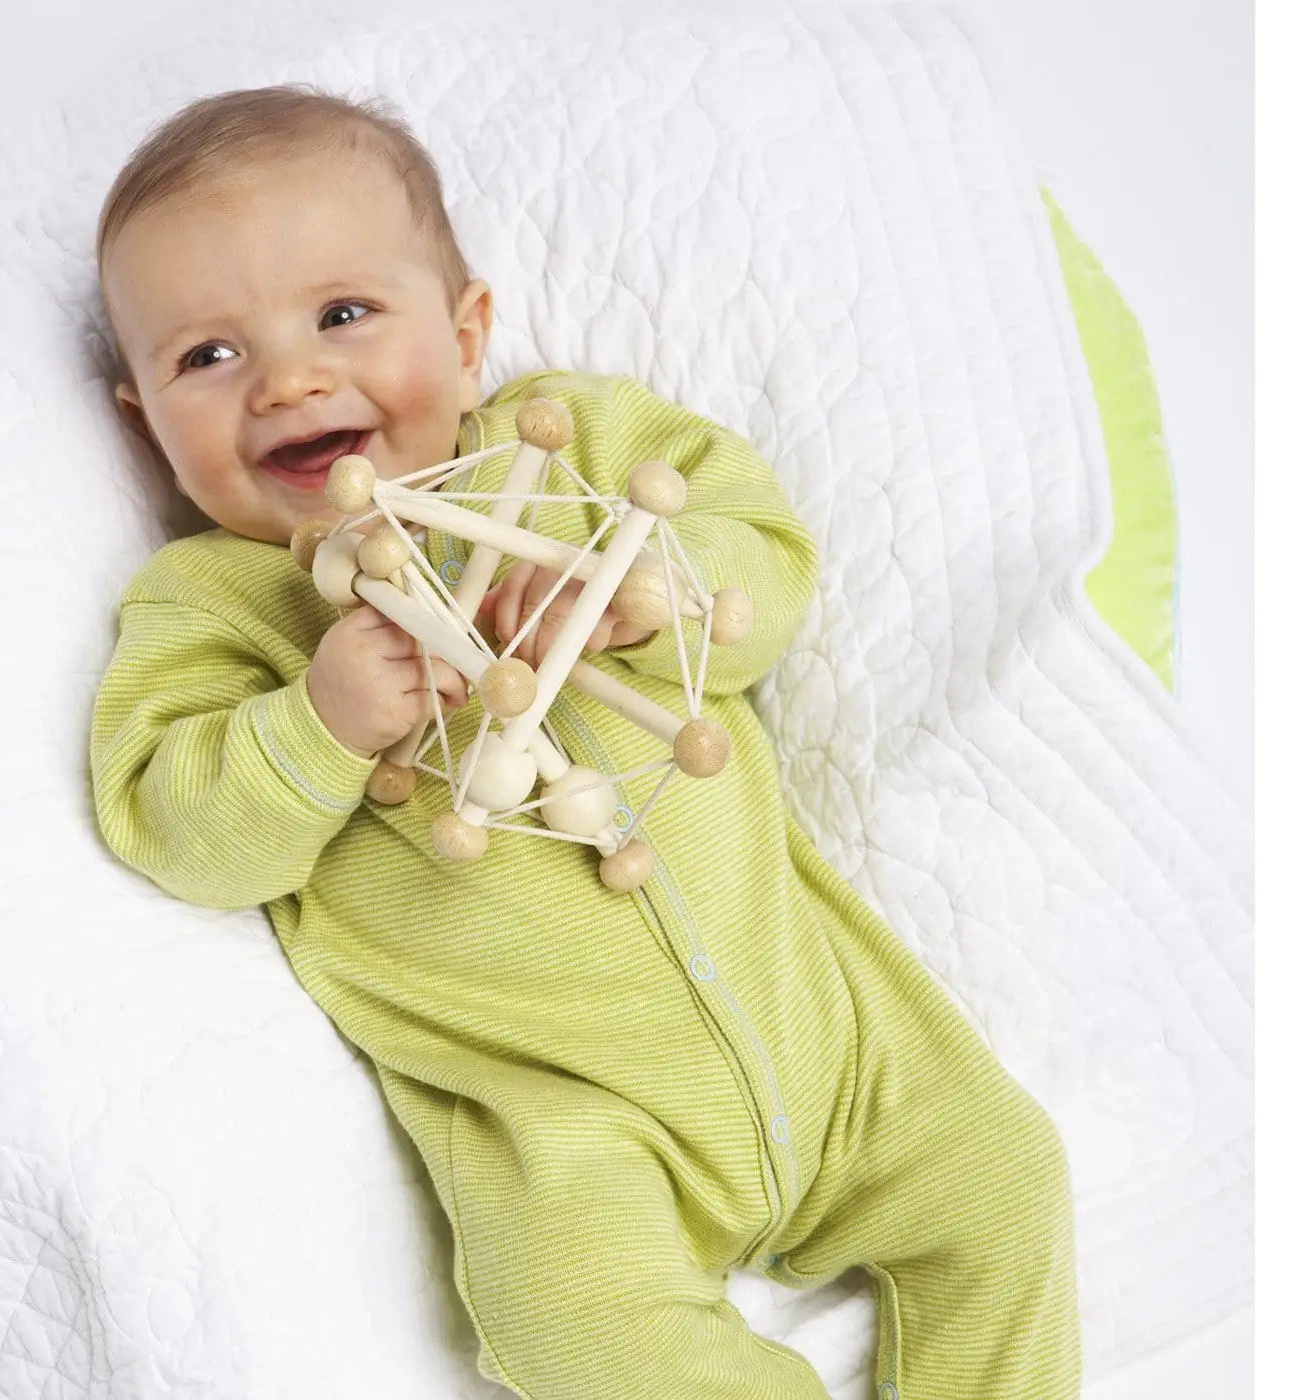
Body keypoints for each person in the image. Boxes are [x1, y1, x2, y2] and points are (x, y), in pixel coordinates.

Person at [90, 84, 1081, 1400]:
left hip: (831, 1042)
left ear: (467, 334)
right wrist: (316, 723)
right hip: (564, 1115)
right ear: (140, 423)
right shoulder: (214, 604)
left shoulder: (571, 451)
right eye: (208, 355)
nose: (290, 380)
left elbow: (767, 553)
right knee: (571, 1325)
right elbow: (174, 830)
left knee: (1006, 1181)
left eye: (342, 314)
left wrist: (649, 592)